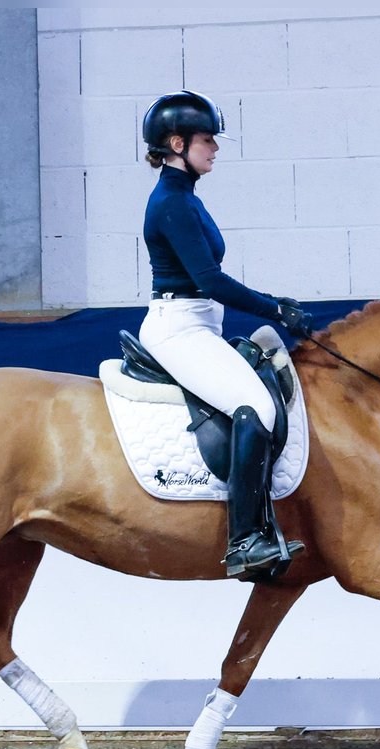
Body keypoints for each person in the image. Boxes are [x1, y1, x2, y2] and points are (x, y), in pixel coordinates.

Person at [138, 89, 311, 580]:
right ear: (176, 143)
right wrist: (275, 308)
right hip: (178, 329)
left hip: (197, 325)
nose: (215, 148)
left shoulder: (186, 198)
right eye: (207, 139)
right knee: (253, 407)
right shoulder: (172, 203)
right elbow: (210, 282)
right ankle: (245, 541)